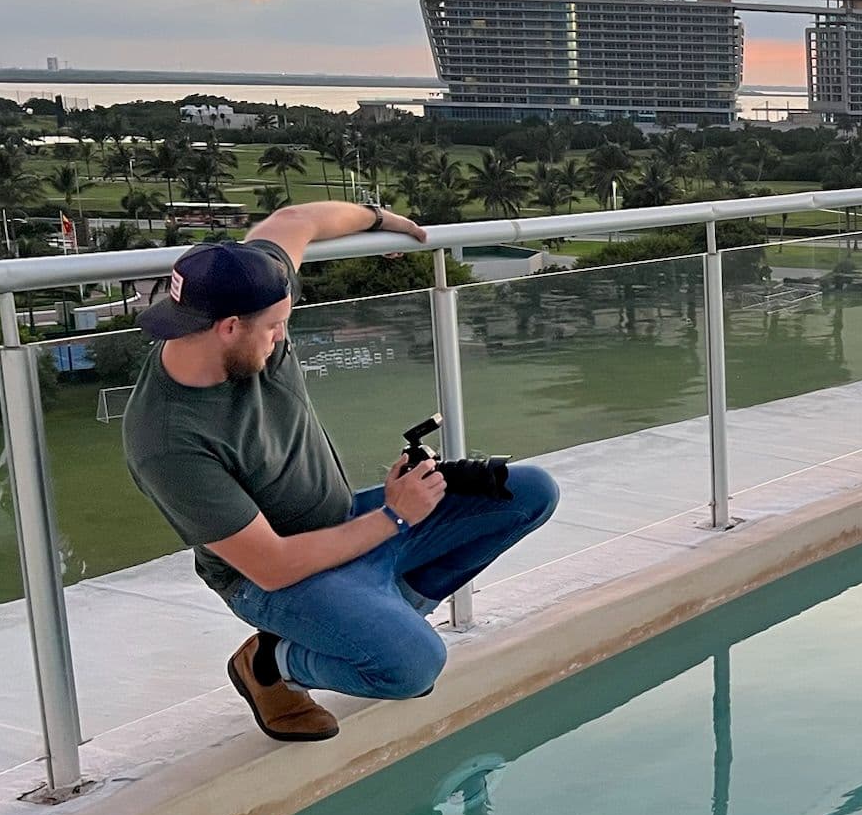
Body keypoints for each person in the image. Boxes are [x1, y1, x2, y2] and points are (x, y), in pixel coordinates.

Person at [122, 200, 559, 741]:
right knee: (411, 668)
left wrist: (386, 221)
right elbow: (274, 566)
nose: (284, 336)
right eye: (277, 327)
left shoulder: (247, 297)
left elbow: (296, 222)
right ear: (229, 327)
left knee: (528, 493)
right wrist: (397, 517)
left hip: (348, 521)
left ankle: (382, 602)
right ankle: (270, 665)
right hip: (274, 579)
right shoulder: (167, 440)